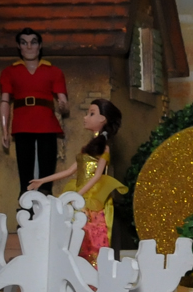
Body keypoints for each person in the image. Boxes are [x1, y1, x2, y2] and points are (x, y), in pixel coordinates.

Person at [28, 99, 127, 265]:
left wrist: (78, 195)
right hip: (79, 194)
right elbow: (69, 171)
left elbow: (97, 176)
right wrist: (42, 180)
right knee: (74, 234)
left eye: (91, 114)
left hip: (92, 198)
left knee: (92, 235)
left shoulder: (104, 148)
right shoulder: (87, 148)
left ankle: (95, 270)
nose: (85, 117)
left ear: (103, 119)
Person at [0, 28, 69, 195]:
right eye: (24, 43)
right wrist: (4, 130)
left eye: (33, 42)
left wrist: (64, 106)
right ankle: (26, 200)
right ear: (19, 46)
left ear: (40, 45)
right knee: (25, 167)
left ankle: (46, 195)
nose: (29, 47)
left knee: (47, 166)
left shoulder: (53, 71)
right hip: (22, 123)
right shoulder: (10, 72)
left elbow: (63, 100)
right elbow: (4, 101)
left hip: (46, 122)